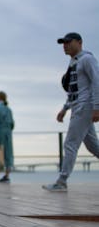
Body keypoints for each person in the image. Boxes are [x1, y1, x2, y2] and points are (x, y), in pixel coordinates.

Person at [43, 33, 99, 192]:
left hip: (84, 107)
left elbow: (97, 82)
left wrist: (97, 107)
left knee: (70, 144)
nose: (64, 46)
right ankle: (61, 181)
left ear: (79, 42)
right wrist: (65, 108)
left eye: (68, 42)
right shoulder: (73, 62)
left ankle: (61, 182)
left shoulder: (87, 59)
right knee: (93, 146)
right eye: (63, 43)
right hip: (78, 106)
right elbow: (74, 89)